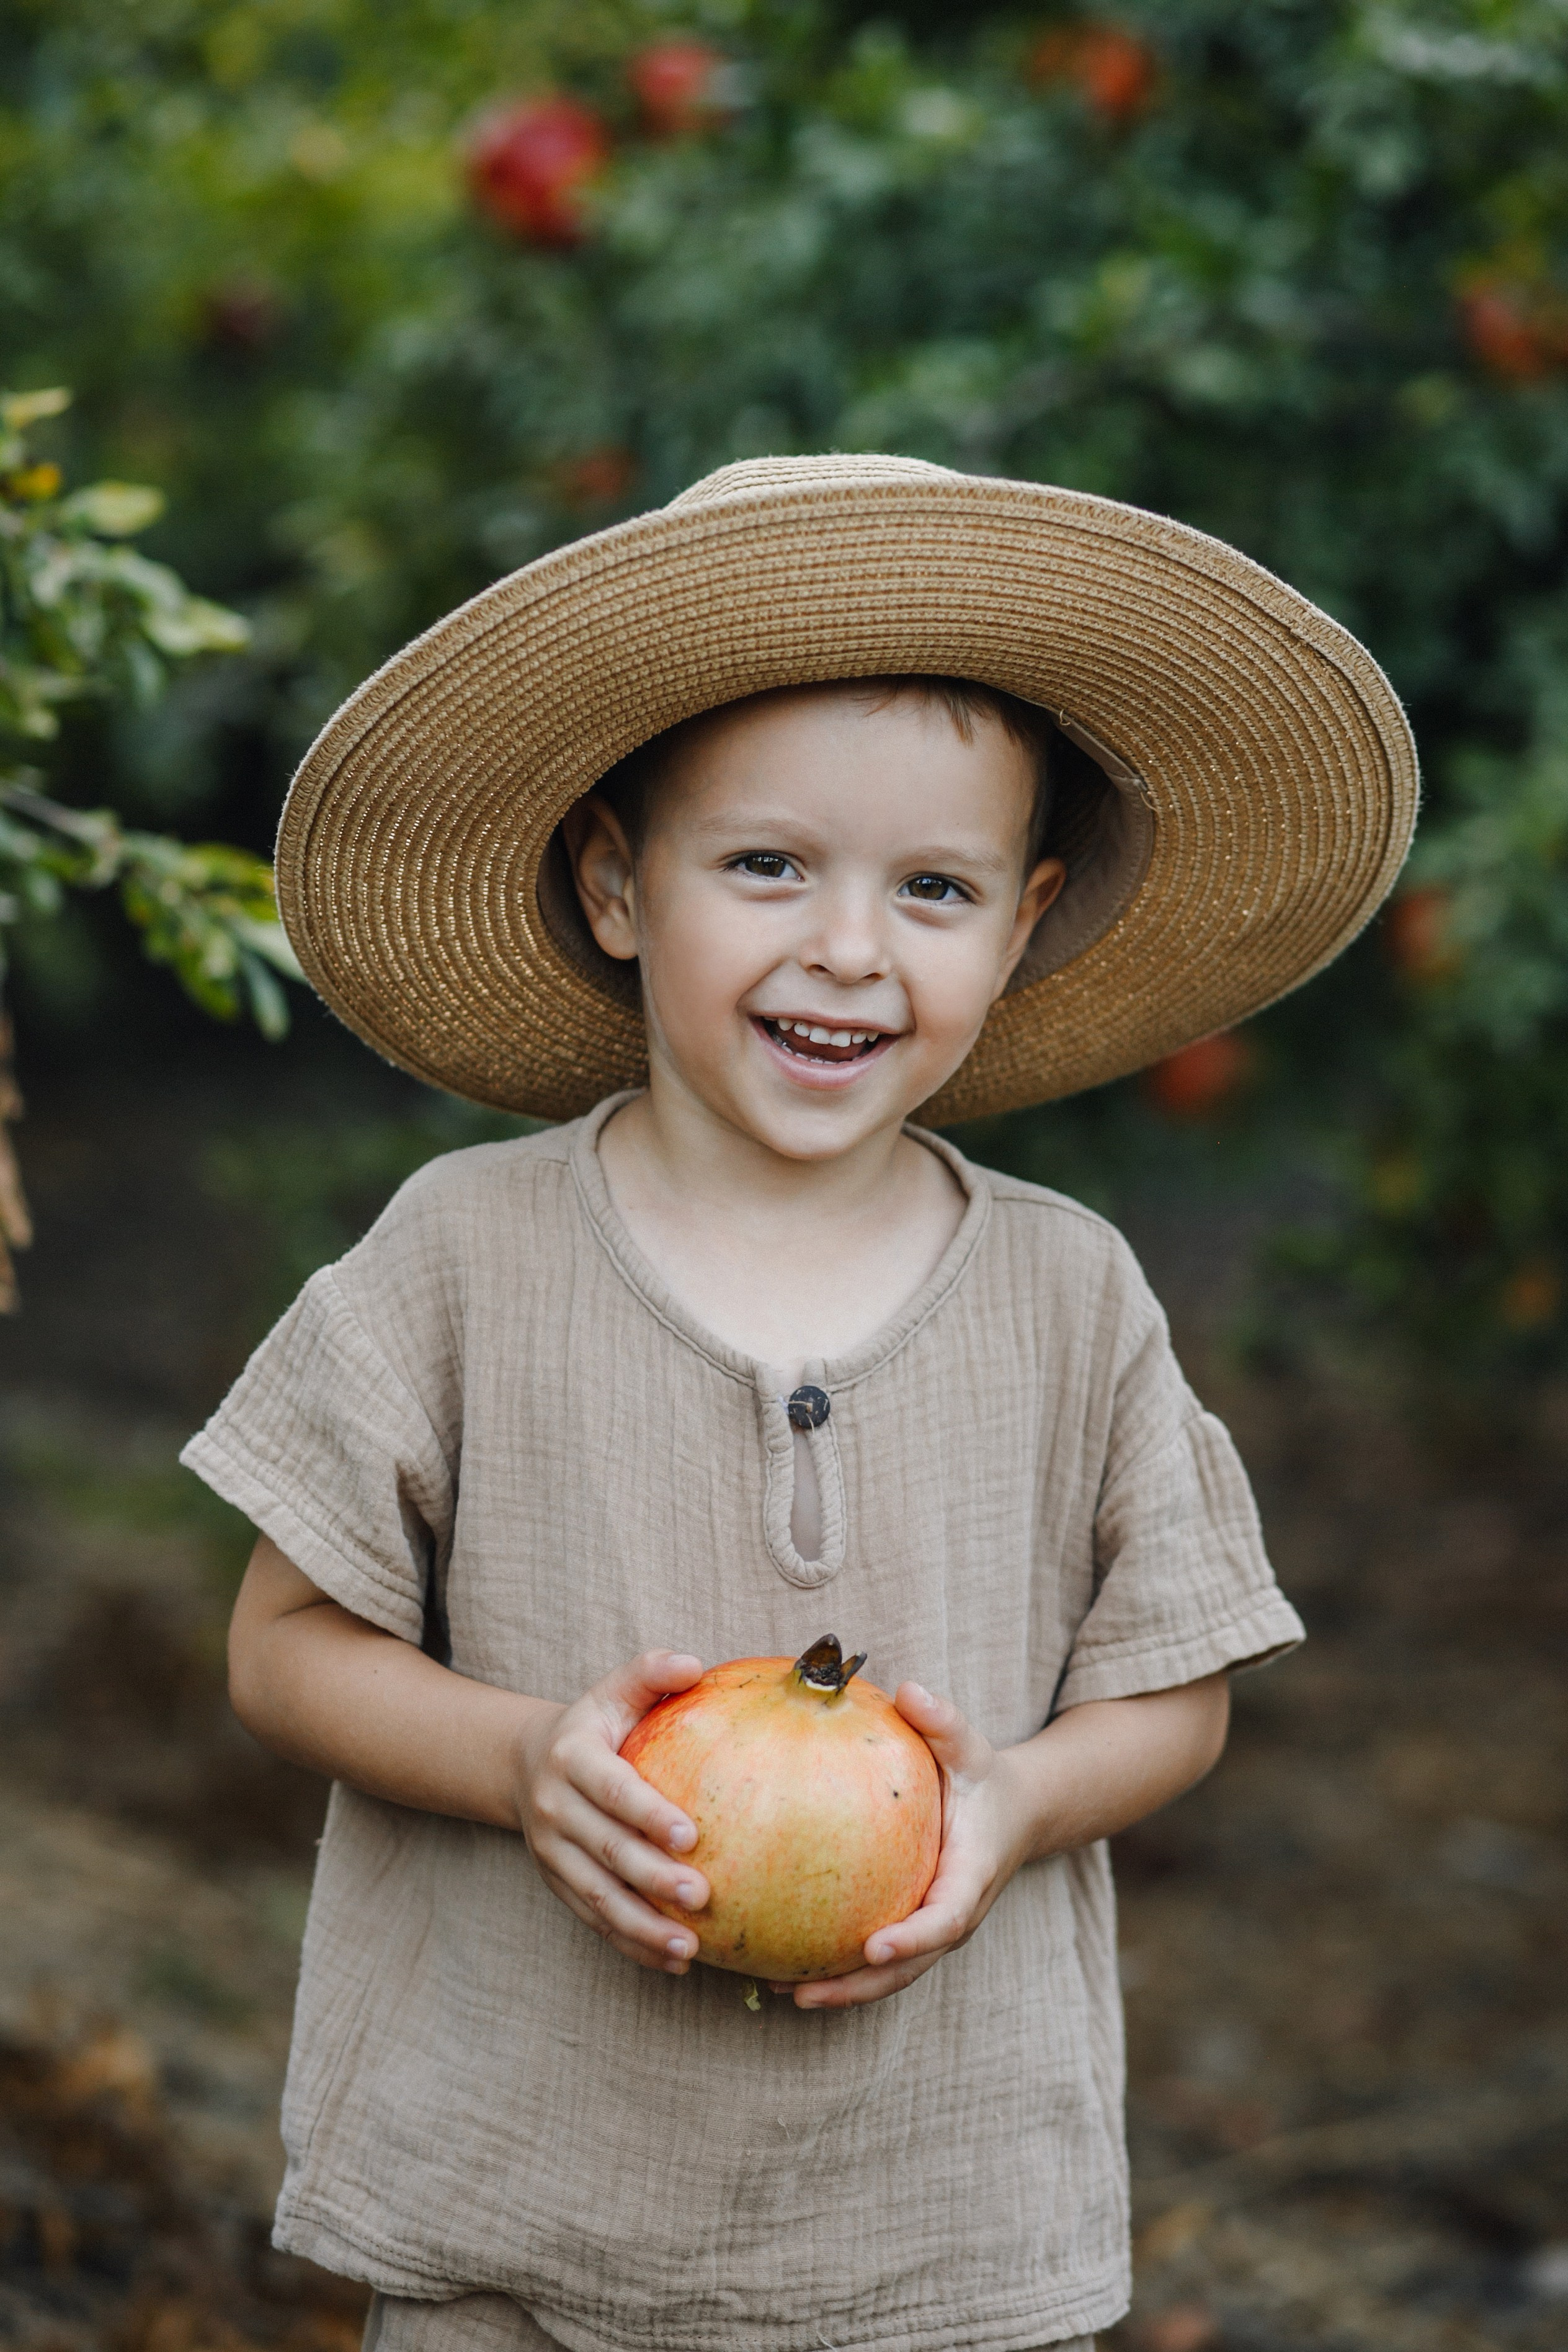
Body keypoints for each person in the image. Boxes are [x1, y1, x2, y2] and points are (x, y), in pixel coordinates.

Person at [184, 454, 1418, 2352]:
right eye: (768, 865)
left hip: (934, 2239)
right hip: (522, 2211)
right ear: (615, 883)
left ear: (1024, 927)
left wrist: (1014, 1799)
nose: (850, 947)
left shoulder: (1070, 1293)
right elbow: (282, 1654)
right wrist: (521, 1764)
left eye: (934, 888)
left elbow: (1176, 1681)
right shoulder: (462, 1256)